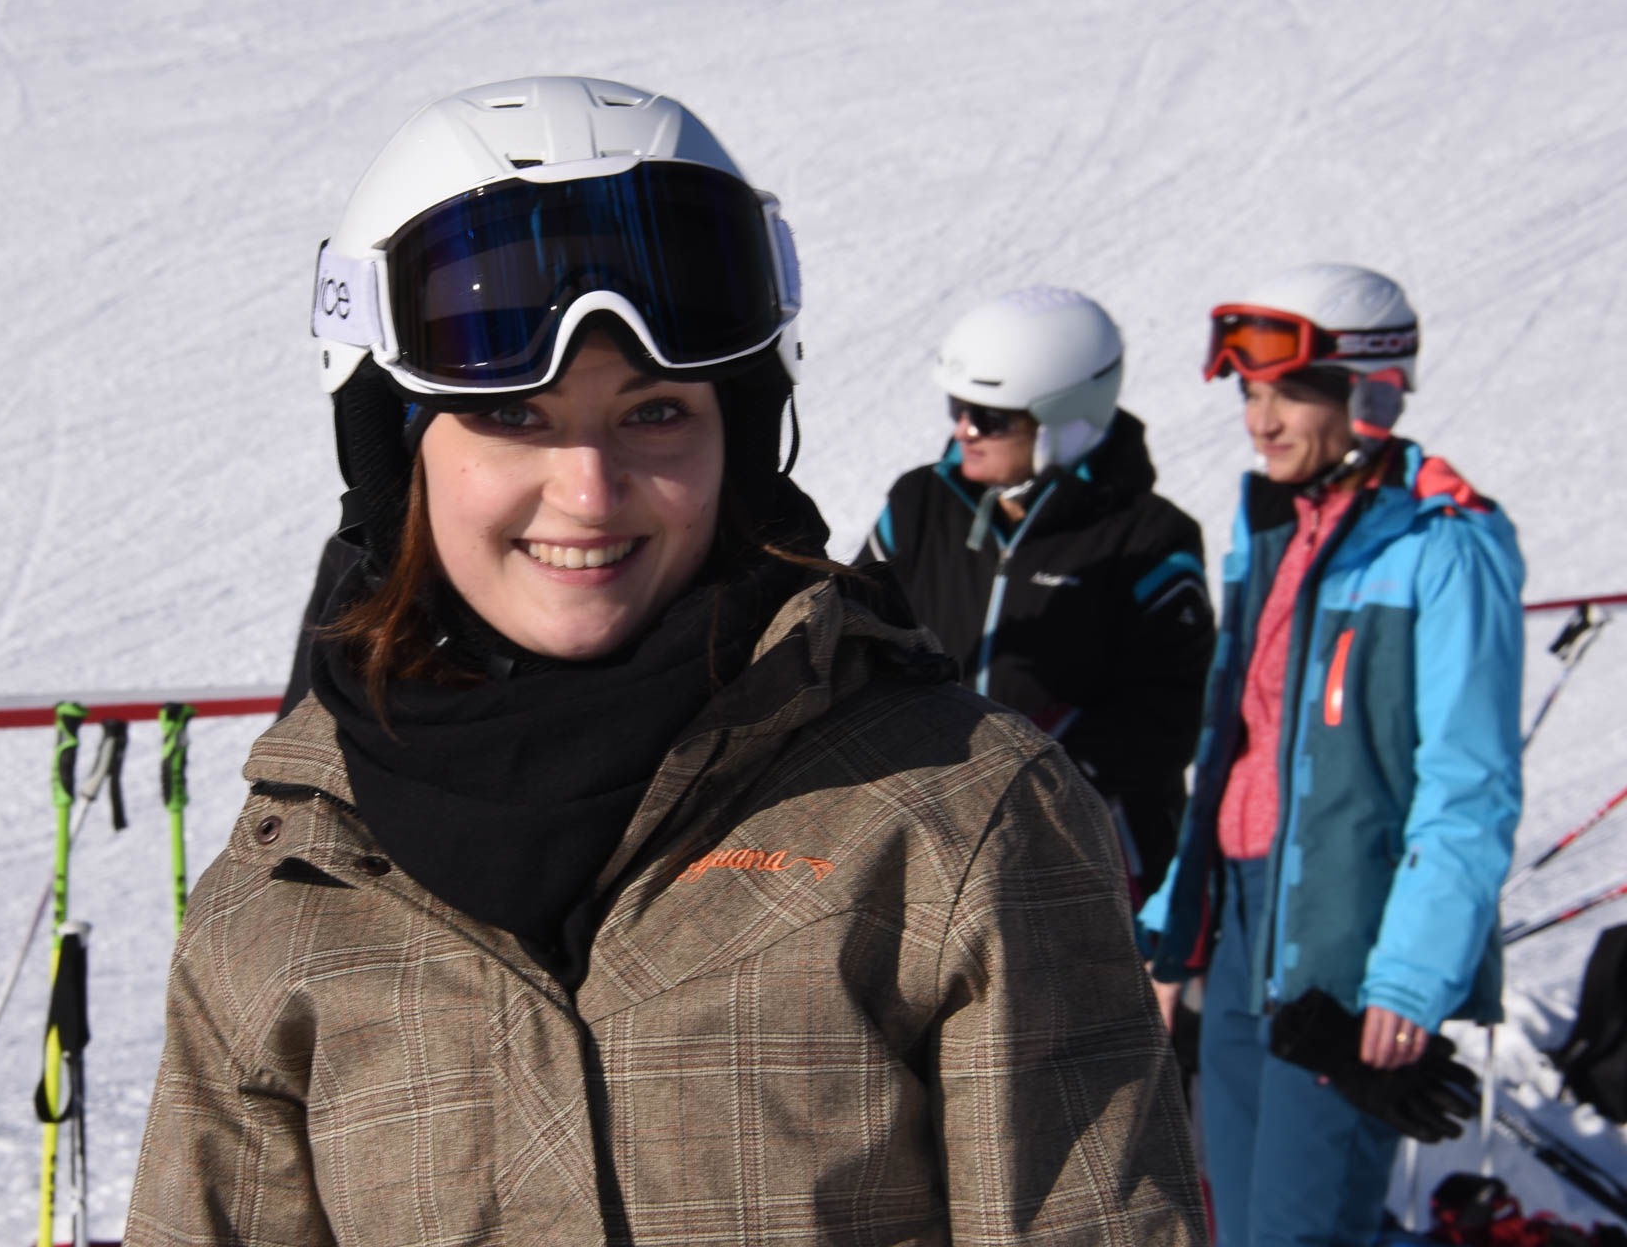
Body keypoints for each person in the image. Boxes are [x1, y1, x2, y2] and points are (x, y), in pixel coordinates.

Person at [125, 76, 1203, 1246]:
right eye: (515, 416)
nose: (590, 493)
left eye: (654, 413)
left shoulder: (952, 820)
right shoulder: (298, 880)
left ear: (738, 437)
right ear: (396, 451)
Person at [1138, 263, 1524, 1246]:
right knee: (1235, 1229)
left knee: (1300, 1234)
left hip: (1348, 953)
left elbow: (1471, 785)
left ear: (1370, 392)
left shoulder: (1443, 546)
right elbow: (1236, 755)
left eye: (1288, 394)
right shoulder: (1276, 526)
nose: (1260, 422)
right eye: (1249, 394)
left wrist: (1410, 975)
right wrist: (1177, 927)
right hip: (1242, 933)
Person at [859, 288, 1214, 903]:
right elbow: (857, 629)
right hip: (933, 843)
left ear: (1064, 422)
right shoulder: (919, 504)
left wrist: (1026, 782)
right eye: (958, 408)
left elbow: (1168, 719)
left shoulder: (1149, 540)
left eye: (990, 418)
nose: (963, 430)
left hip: (1080, 862)